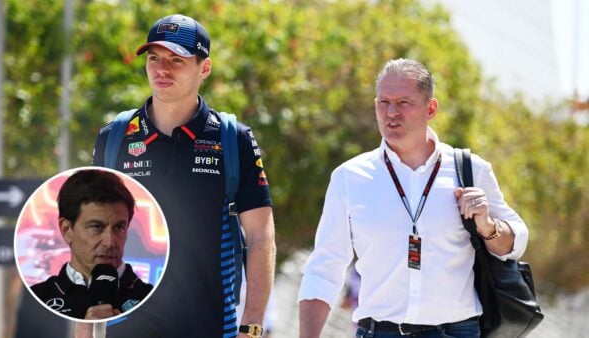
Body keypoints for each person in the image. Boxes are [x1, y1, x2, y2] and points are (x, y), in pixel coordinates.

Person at [297, 58, 529, 338]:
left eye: (404, 102)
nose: (392, 112)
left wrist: (488, 226)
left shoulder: (470, 170)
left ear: (430, 108)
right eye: (384, 102)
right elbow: (325, 267)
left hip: (457, 332)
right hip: (378, 332)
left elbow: (516, 243)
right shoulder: (349, 177)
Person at [90, 14, 276, 338]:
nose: (162, 69)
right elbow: (90, 236)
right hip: (128, 326)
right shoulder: (115, 137)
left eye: (176, 59)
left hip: (210, 324)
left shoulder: (232, 138)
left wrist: (253, 325)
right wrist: (85, 330)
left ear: (204, 68)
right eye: (154, 58)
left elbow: (261, 236)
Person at [30, 169, 153, 320]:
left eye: (119, 227)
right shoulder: (35, 299)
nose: (110, 242)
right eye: (97, 227)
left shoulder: (155, 300)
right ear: (67, 230)